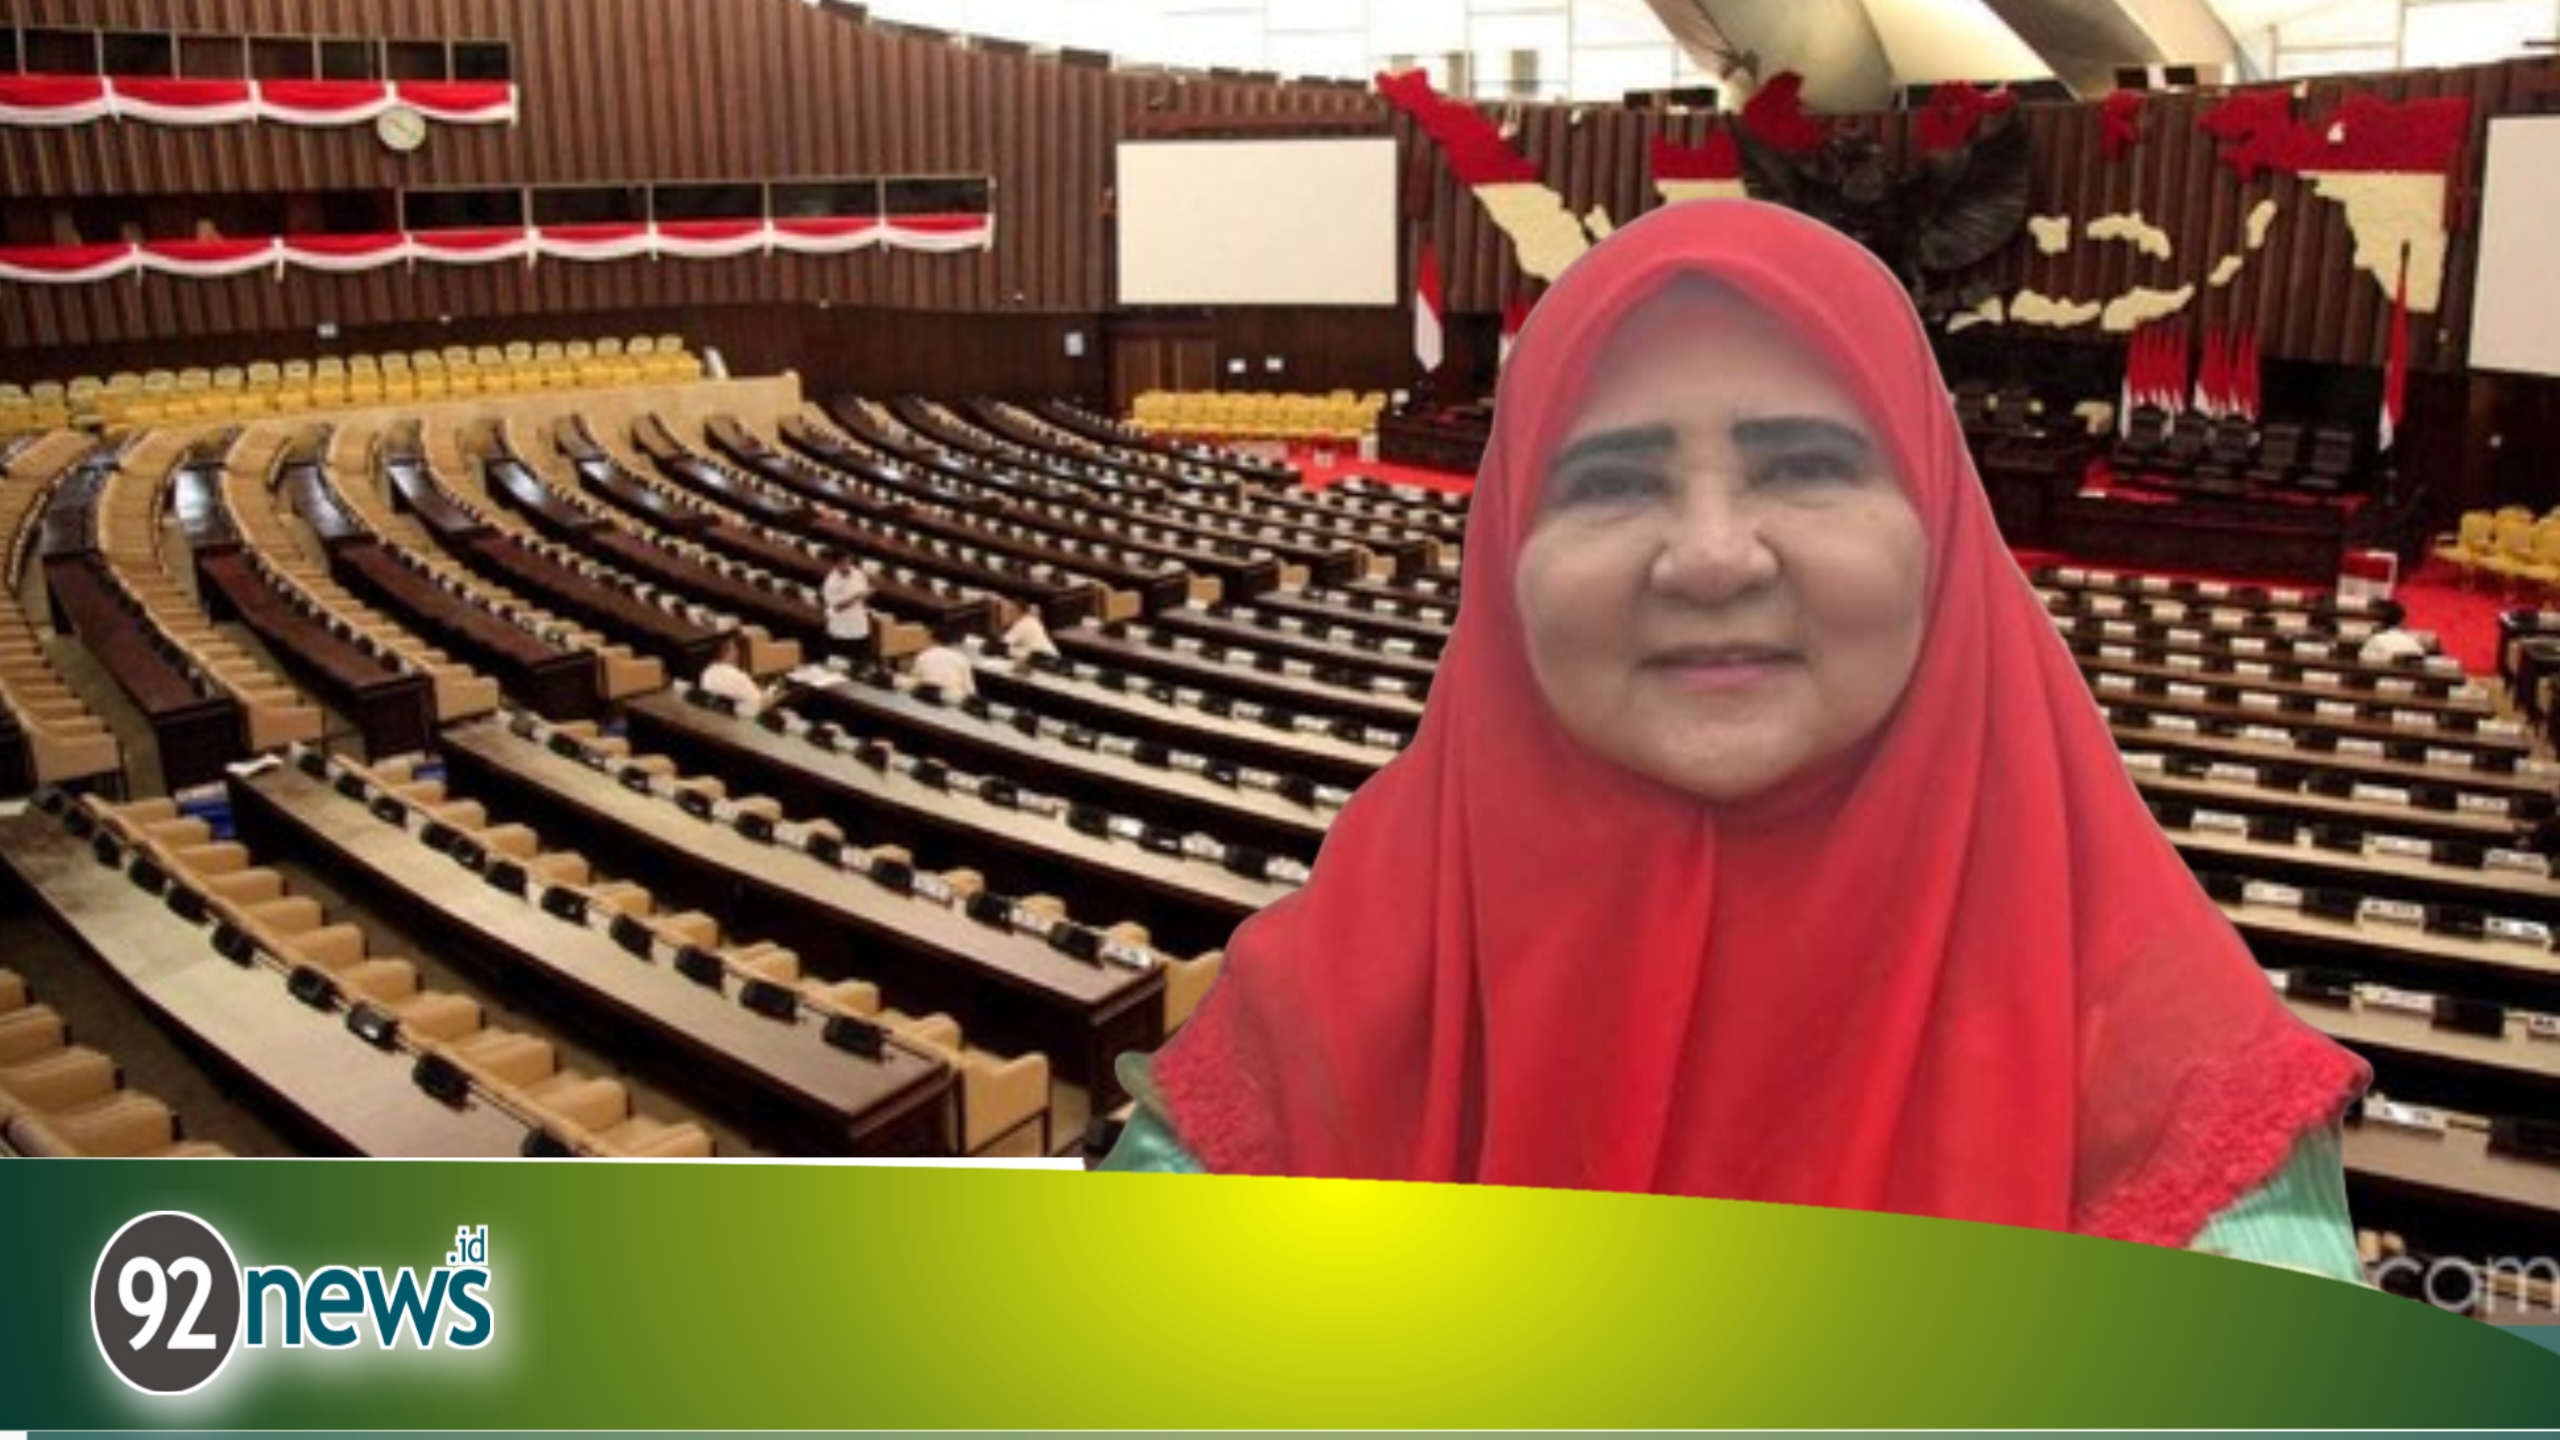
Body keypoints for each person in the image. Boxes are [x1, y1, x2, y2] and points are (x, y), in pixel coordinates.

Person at [1101, 200, 2368, 1274]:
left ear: (1938, 529)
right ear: (1504, 554)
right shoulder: (1320, 1013)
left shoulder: (2167, 1086)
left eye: (1805, 466)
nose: (1711, 557)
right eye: (1610, 481)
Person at [697, 633, 768, 718]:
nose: (738, 653)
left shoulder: (707, 673)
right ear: (728, 651)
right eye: (736, 649)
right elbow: (758, 705)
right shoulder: (739, 677)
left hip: (714, 719)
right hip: (742, 721)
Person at [822, 555, 874, 653]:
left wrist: (867, 595)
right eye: (843, 563)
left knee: (861, 654)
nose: (846, 566)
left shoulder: (858, 574)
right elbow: (837, 607)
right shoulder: (831, 582)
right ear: (836, 565)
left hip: (859, 624)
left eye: (848, 562)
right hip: (841, 628)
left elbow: (864, 593)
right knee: (842, 657)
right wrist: (856, 598)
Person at [911, 640, 978, 700]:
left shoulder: (924, 654)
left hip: (922, 694)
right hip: (949, 699)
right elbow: (970, 690)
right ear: (957, 644)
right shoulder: (963, 659)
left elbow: (914, 677)